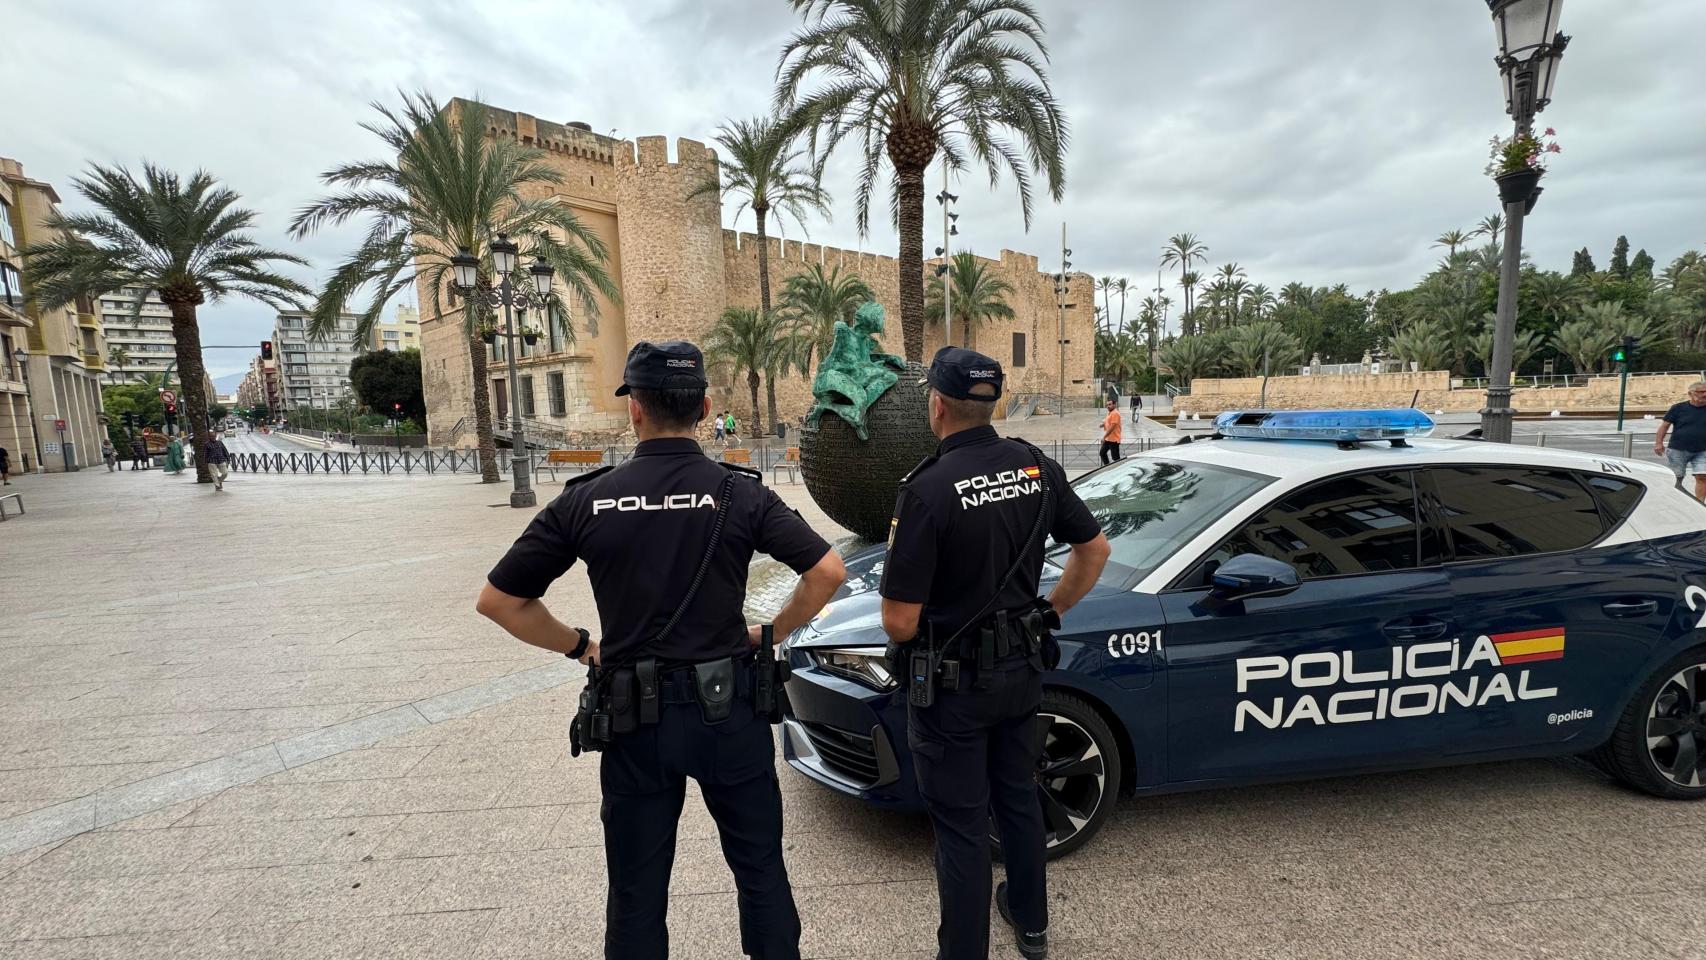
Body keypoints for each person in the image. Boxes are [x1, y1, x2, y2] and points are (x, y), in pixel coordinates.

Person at [476, 340, 847, 960]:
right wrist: (771, 634)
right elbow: (828, 572)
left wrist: (582, 647)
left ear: (635, 410)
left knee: (636, 890)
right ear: (704, 407)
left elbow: (499, 601)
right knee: (759, 871)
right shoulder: (741, 493)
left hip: (633, 718)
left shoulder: (586, 499)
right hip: (729, 710)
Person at [880, 346, 1111, 960]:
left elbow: (900, 622)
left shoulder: (926, 491)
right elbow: (1095, 551)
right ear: (995, 404)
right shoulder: (1036, 467)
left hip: (953, 691)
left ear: (936, 405)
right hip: (1020, 673)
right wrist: (1050, 612)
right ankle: (1032, 926)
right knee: (1017, 798)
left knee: (959, 827)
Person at [1655, 381, 1706, 500]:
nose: (1704, 394)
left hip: (1703, 449)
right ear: (1690, 393)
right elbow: (1664, 426)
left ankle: (1700, 504)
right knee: (1676, 478)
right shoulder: (1678, 408)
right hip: (1678, 448)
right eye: (1701, 392)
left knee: (1703, 477)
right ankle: (1677, 501)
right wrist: (1658, 443)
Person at [1099, 398, 1123, 465]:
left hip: (1114, 440)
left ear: (1114, 405)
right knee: (1102, 453)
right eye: (1107, 405)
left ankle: (1119, 470)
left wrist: (1104, 437)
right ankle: (1108, 467)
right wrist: (1103, 424)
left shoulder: (1115, 413)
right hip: (1108, 439)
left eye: (1110, 404)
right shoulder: (1110, 413)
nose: (1108, 406)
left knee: (1116, 458)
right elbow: (1108, 422)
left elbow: (1112, 427)